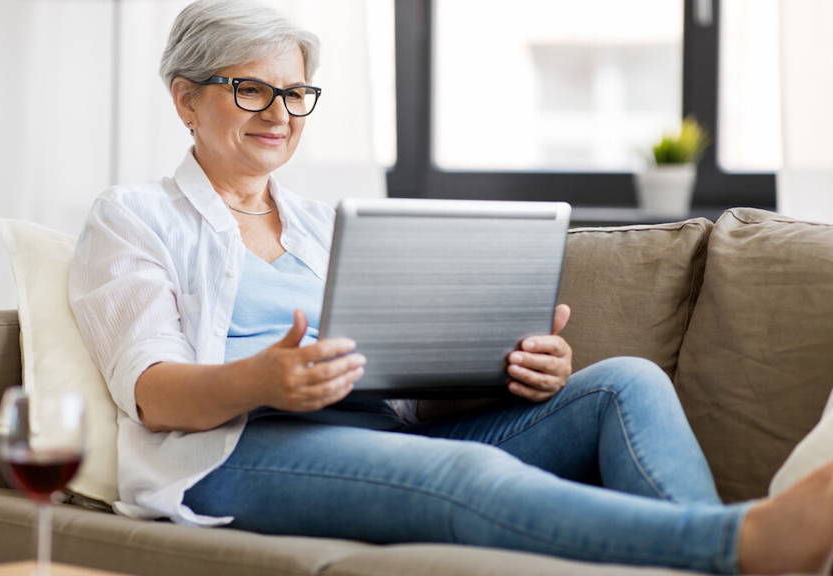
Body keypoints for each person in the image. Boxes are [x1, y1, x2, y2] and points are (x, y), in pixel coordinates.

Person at [68, 1, 833, 573]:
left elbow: (401, 376)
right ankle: (744, 541)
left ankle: (726, 553)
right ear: (185, 99)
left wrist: (512, 364)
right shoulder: (133, 217)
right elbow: (152, 392)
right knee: (471, 472)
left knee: (621, 383)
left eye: (296, 93)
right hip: (231, 453)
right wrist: (262, 377)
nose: (279, 114)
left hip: (390, 434)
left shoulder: (326, 224)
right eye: (250, 90)